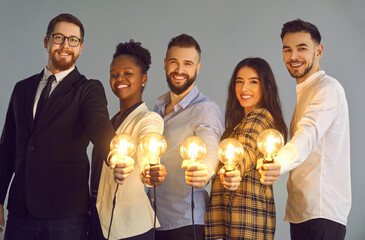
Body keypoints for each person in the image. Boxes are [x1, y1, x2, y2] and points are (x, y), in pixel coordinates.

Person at [0, 13, 115, 239]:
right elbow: (7, 150)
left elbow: (99, 127)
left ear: (81, 47)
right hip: (19, 212)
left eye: (73, 40)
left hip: (66, 214)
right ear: (46, 41)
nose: (65, 45)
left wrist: (114, 153)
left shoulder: (88, 89)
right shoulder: (21, 88)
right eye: (59, 37)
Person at [258, 19, 351, 240]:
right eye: (287, 50)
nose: (293, 56)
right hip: (303, 214)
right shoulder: (306, 92)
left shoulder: (327, 89)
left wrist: (278, 162)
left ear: (319, 51)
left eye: (302, 48)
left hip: (320, 214)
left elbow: (308, 135)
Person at [148, 34, 223, 240]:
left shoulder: (205, 109)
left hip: (186, 223)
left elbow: (211, 148)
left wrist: (205, 170)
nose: (180, 70)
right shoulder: (158, 108)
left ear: (198, 67)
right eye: (174, 62)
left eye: (188, 64)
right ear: (165, 64)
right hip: (155, 221)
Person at [89, 40, 166, 240]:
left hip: (131, 229)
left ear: (143, 78)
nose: (119, 78)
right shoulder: (109, 123)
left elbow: (148, 141)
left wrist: (149, 169)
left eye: (127, 73)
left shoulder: (148, 118)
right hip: (99, 223)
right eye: (114, 74)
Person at [205, 58, 288, 240]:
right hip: (236, 218)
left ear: (266, 86)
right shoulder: (238, 124)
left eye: (253, 82)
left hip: (247, 221)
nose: (244, 89)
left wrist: (234, 169)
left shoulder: (260, 116)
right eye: (239, 81)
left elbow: (247, 148)